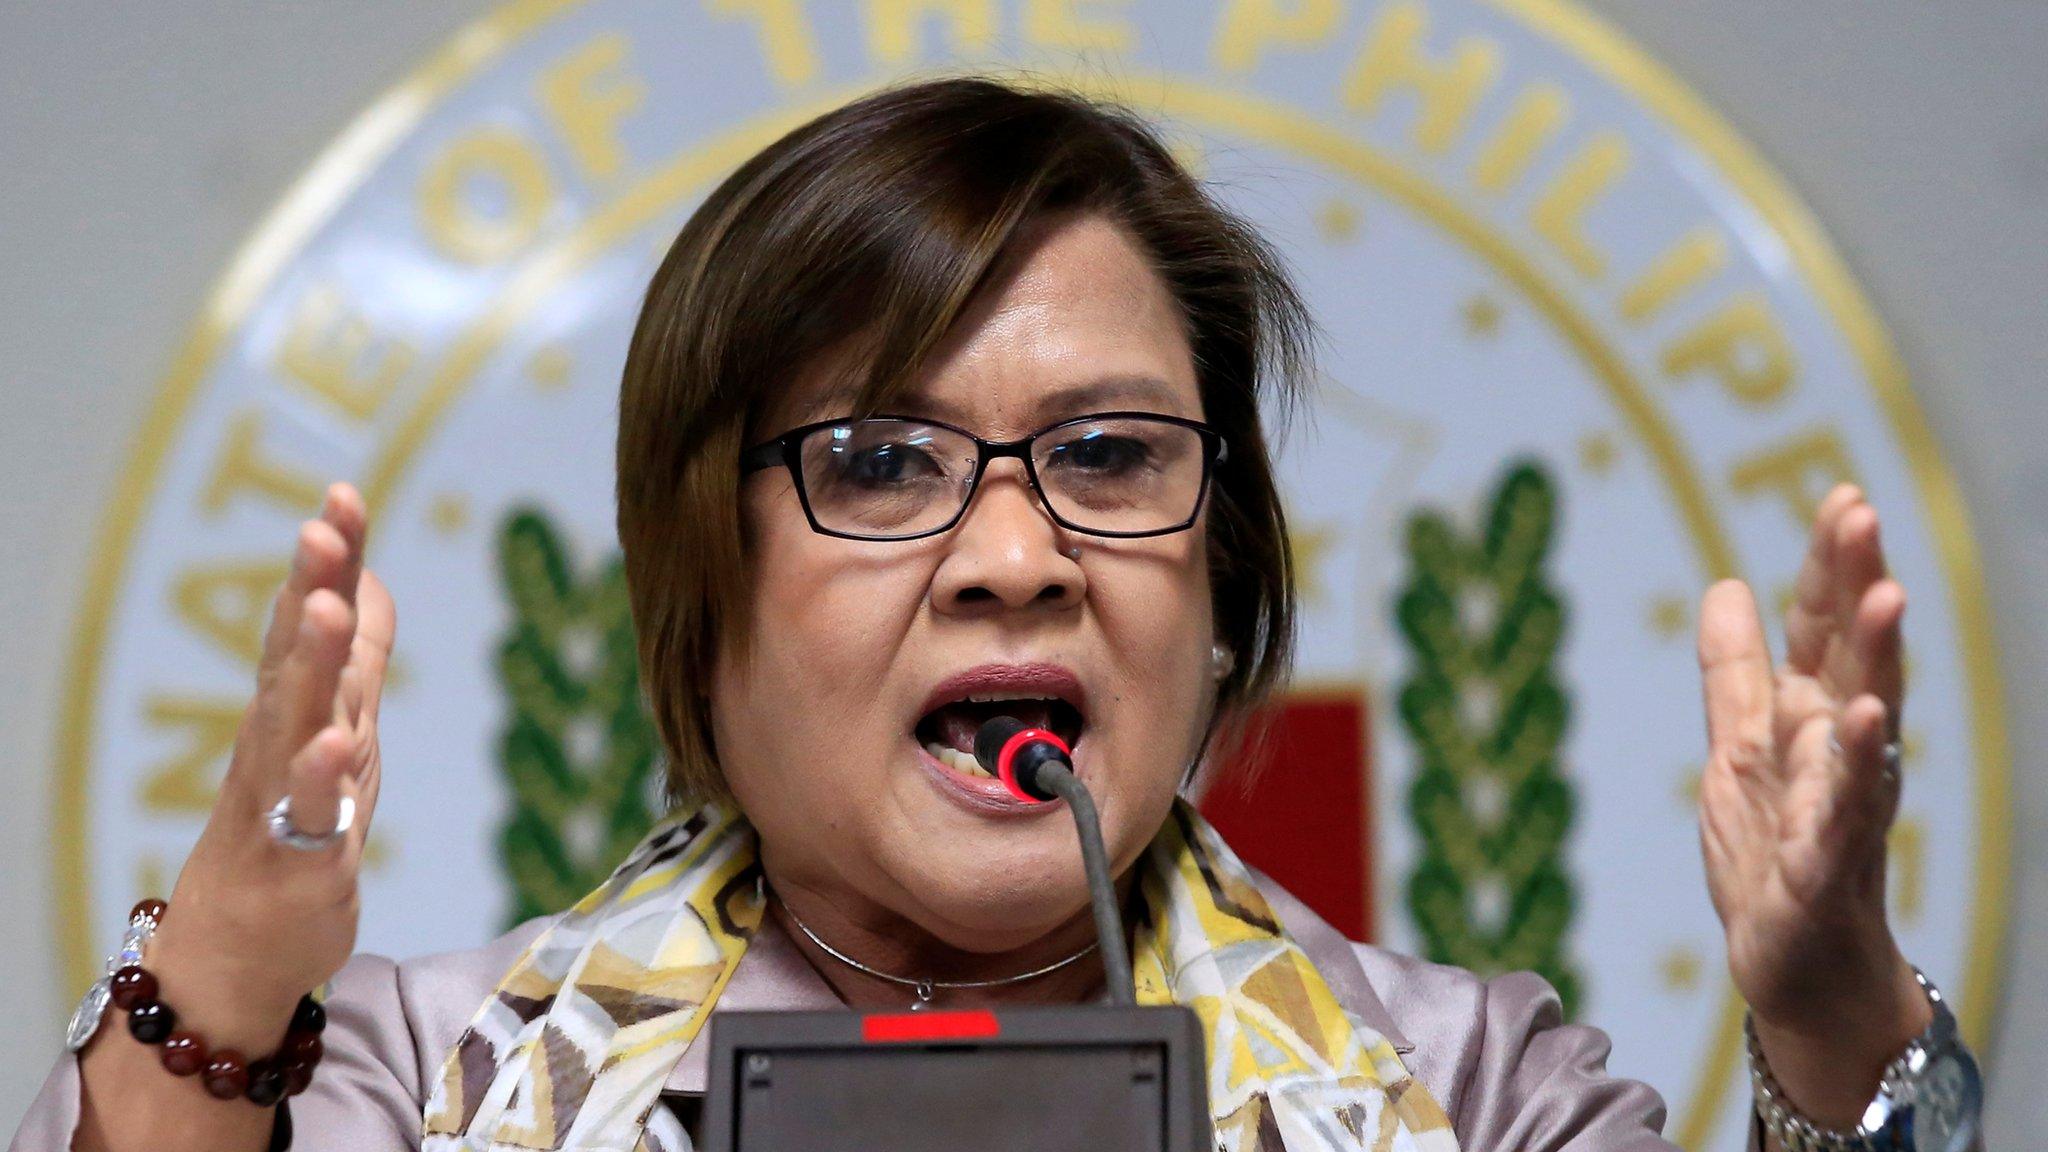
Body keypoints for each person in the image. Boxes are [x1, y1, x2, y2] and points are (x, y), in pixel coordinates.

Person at [15, 77, 1965, 1152]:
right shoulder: (422, 1091)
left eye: (1110, 457)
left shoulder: (1469, 1098)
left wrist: (1830, 1020)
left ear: (1222, 592)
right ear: (702, 588)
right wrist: (231, 963)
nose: (1016, 554)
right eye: (878, 462)